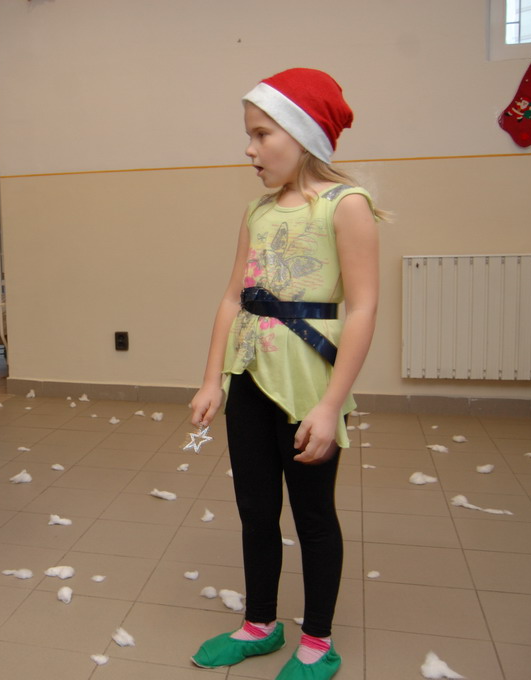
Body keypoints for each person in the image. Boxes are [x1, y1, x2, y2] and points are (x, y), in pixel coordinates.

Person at [189, 68, 383, 680]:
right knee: (255, 508)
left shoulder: (345, 206)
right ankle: (260, 624)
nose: (249, 149)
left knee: (313, 515)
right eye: (249, 134)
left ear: (302, 136)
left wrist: (330, 404)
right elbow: (233, 297)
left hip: (308, 387)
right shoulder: (257, 210)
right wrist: (213, 379)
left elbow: (363, 308)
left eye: (261, 134)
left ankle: (318, 641)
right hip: (250, 377)